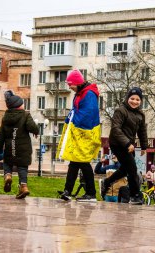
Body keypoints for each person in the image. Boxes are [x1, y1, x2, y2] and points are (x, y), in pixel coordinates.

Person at [57, 69, 101, 202]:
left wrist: (73, 120)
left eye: (70, 84)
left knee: (83, 162)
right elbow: (75, 111)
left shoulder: (89, 94)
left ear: (77, 82)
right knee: (74, 162)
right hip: (79, 133)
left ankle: (91, 193)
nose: (69, 86)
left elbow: (87, 114)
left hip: (86, 133)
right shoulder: (80, 93)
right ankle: (68, 190)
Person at [100, 87, 148, 205]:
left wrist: (144, 146)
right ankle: (135, 195)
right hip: (117, 143)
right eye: (132, 98)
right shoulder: (120, 111)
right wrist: (127, 143)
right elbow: (116, 129)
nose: (134, 101)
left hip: (129, 144)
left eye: (137, 99)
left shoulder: (141, 114)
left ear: (141, 101)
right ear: (127, 98)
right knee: (132, 168)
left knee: (125, 170)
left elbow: (142, 131)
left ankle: (107, 182)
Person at [0, 90, 39, 199]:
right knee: (22, 167)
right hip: (23, 148)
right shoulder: (25, 115)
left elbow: (1, 135)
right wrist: (36, 131)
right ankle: (23, 186)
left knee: (8, 163)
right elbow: (32, 127)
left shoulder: (5, 118)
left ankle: (8, 175)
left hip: (10, 147)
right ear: (19, 105)